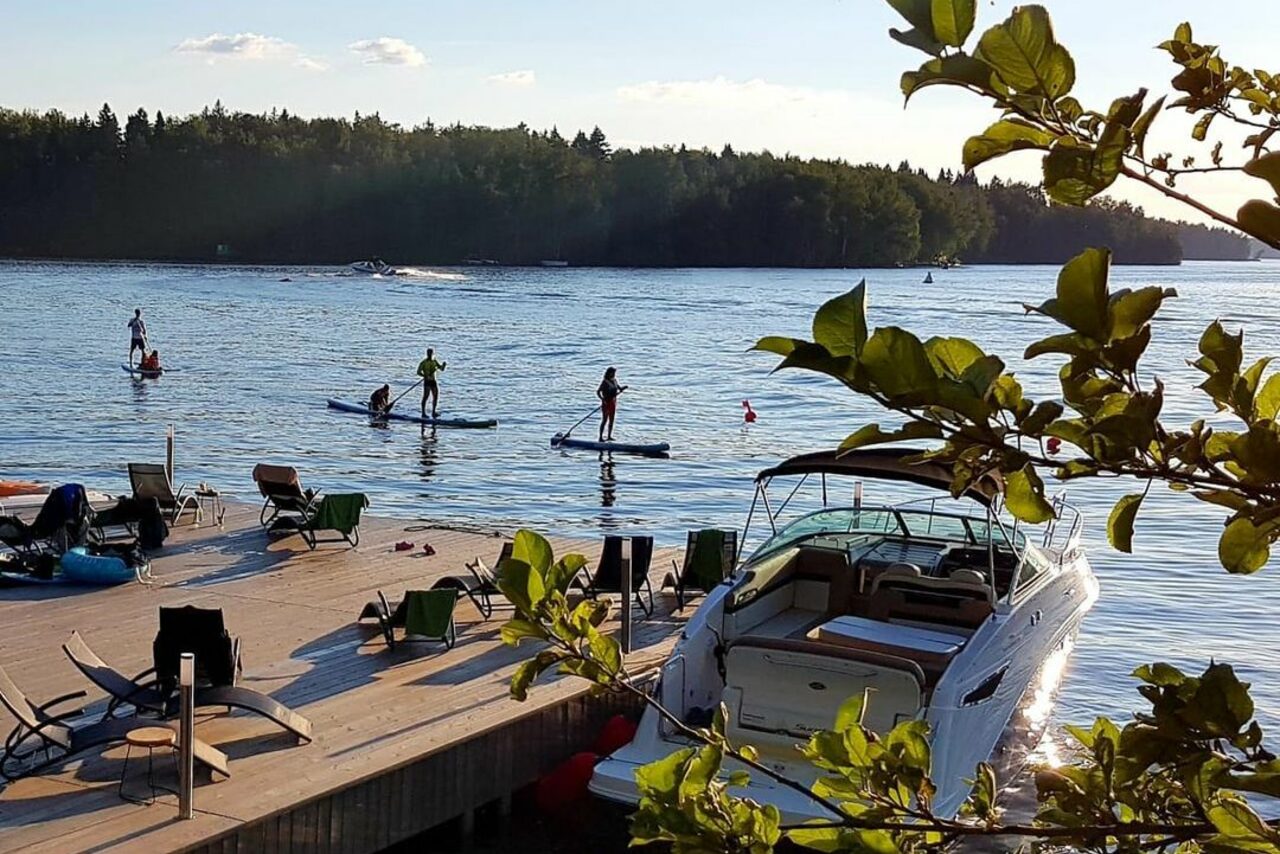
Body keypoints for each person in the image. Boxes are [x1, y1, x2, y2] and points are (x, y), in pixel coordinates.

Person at [597, 367, 628, 442]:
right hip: (606, 402)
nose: (614, 374)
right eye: (612, 373)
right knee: (605, 420)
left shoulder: (614, 380)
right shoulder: (605, 382)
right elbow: (598, 391)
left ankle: (609, 436)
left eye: (614, 373)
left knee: (611, 419)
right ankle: (600, 437)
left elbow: (619, 388)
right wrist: (602, 399)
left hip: (613, 402)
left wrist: (623, 388)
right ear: (609, 373)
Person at [417, 348, 447, 418]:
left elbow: (441, 369)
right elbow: (418, 372)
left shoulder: (434, 361)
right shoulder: (423, 362)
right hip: (427, 381)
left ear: (432, 353)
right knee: (426, 397)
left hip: (433, 381)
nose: (430, 354)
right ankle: (423, 413)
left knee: (435, 396)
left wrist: (444, 365)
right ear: (427, 354)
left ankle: (433, 412)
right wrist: (424, 376)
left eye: (431, 353)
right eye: (429, 353)